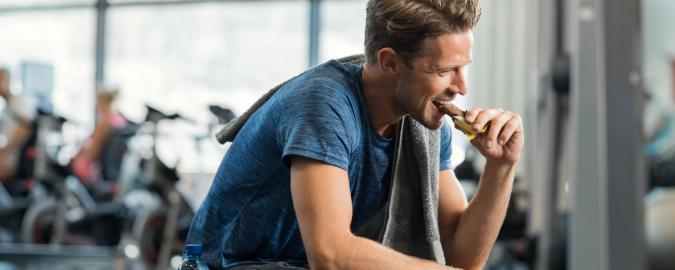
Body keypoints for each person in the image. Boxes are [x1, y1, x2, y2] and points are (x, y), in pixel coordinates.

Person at [187, 0, 524, 269]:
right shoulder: (323, 104)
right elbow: (331, 255)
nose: (461, 87)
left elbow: (463, 258)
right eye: (444, 70)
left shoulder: (424, 118)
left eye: (464, 67)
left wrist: (501, 166)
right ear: (390, 63)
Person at [0, 68, 35, 182]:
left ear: (7, 81)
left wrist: (5, 152)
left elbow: (24, 129)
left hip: (15, 159)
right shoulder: (6, 108)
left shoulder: (19, 101)